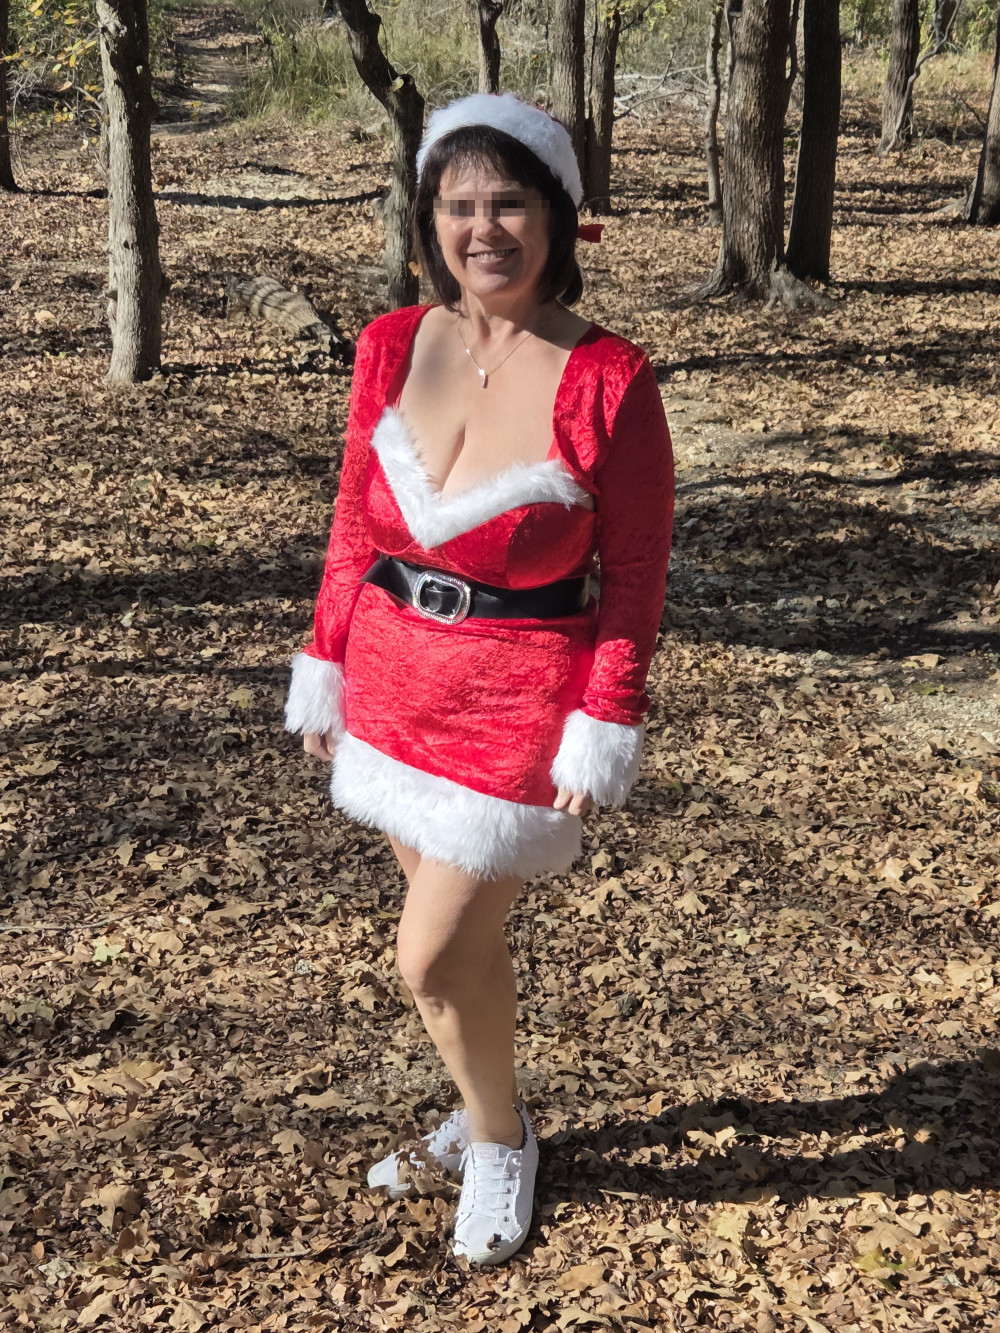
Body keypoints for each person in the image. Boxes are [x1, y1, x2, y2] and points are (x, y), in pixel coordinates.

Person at [283, 91, 674, 1266]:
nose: (483, 228)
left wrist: (604, 717)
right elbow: (352, 522)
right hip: (392, 682)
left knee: (429, 956)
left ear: (555, 217)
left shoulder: (609, 379)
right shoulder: (389, 344)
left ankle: (500, 1142)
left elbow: (635, 576)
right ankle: (479, 1105)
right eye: (459, 205)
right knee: (463, 957)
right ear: (429, 219)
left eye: (508, 203)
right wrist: (326, 659)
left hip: (518, 701)